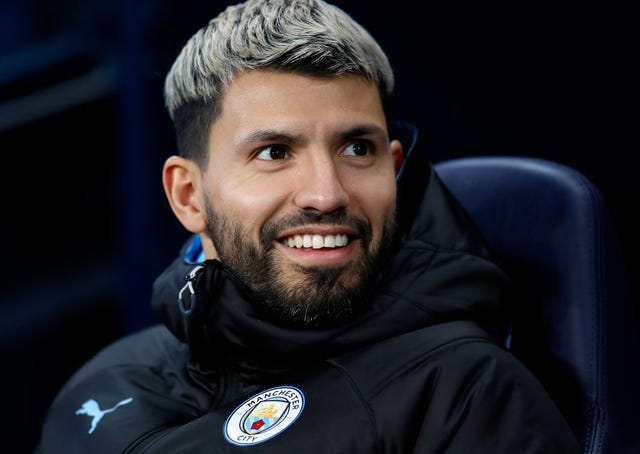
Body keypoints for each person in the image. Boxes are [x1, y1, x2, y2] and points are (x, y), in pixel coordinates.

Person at [37, 0, 580, 452]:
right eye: (274, 152)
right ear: (189, 196)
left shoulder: (463, 391)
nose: (327, 193)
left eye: (357, 148)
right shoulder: (106, 383)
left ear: (393, 169)